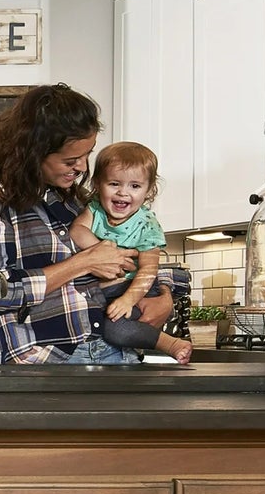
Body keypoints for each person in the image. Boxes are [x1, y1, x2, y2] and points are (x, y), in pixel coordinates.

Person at [0, 83, 182, 365]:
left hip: (113, 348)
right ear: (34, 152)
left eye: (87, 154)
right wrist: (83, 263)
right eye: (71, 160)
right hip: (45, 362)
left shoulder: (70, 198)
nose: (82, 167)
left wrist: (165, 295)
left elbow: (140, 250)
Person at [69, 141, 192, 364]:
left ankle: (170, 344)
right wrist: (103, 252)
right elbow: (77, 231)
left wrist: (128, 300)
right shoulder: (95, 210)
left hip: (135, 289)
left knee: (115, 329)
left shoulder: (147, 224)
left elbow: (148, 270)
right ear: (97, 183)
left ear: (149, 190)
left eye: (135, 186)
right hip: (104, 293)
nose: (123, 192)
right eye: (114, 183)